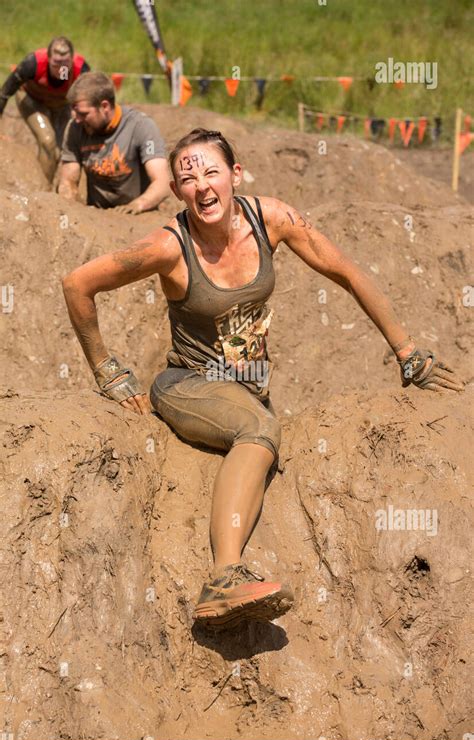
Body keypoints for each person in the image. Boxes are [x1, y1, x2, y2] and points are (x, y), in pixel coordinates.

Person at [61, 127, 464, 629]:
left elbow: (348, 272)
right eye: (187, 178)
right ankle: (223, 578)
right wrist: (109, 373)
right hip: (187, 384)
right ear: (176, 190)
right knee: (259, 428)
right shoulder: (170, 246)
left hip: (251, 386)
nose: (202, 187)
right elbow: (77, 283)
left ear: (235, 174)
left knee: (260, 419)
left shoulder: (270, 218)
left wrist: (408, 354)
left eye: (212, 172)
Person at [57, 71, 169, 213]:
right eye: (75, 113)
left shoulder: (142, 126)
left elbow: (162, 183)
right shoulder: (75, 128)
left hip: (139, 215)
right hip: (98, 216)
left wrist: (138, 205)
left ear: (105, 106)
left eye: (84, 114)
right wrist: (69, 211)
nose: (77, 119)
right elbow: (68, 181)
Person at [0, 37, 91, 182]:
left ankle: (50, 188)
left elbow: (91, 100)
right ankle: (43, 188)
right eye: (56, 62)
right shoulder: (32, 64)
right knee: (48, 141)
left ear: (72, 59)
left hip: (61, 105)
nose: (61, 68)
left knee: (60, 151)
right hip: (32, 100)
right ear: (48, 58)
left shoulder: (81, 69)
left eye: (65, 63)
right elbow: (4, 93)